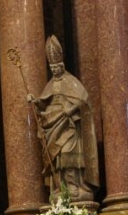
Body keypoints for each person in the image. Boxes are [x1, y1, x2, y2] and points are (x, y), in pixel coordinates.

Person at [27, 35, 98, 202]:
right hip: (53, 124)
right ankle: (61, 187)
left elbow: (84, 100)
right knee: (57, 157)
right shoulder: (50, 85)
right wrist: (35, 101)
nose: (55, 70)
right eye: (52, 67)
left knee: (68, 152)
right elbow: (45, 102)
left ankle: (74, 185)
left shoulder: (72, 82)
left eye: (57, 66)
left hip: (69, 123)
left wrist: (71, 109)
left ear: (63, 65)